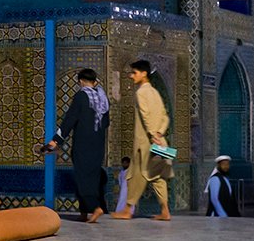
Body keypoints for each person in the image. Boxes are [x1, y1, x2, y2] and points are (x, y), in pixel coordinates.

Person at [44, 68, 110, 223]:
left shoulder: (81, 96)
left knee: (81, 177)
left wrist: (56, 140)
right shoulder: (103, 98)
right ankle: (83, 212)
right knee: (92, 176)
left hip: (83, 143)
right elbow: (106, 123)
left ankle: (95, 208)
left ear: (80, 81)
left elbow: (70, 119)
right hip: (98, 144)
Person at [111, 60, 173, 221]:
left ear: (143, 73)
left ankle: (127, 210)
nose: (132, 76)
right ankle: (165, 211)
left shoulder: (141, 93)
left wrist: (153, 135)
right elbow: (165, 117)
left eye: (134, 73)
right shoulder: (155, 92)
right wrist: (160, 133)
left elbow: (146, 116)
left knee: (134, 175)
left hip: (146, 144)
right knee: (158, 177)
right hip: (159, 141)